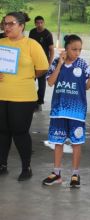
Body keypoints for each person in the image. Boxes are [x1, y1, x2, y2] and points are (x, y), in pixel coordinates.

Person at [42, 35, 90, 187]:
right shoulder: (57, 62)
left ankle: (75, 174)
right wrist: (60, 64)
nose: (77, 52)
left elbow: (87, 86)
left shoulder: (82, 64)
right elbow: (50, 82)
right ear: (66, 48)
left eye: (79, 50)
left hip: (77, 112)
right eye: (73, 49)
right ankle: (56, 173)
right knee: (58, 142)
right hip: (58, 111)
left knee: (76, 143)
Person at [0, 12, 48, 180]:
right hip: (1, 95)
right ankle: (2, 164)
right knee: (2, 132)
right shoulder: (1, 43)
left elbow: (42, 67)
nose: (6, 27)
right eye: (4, 23)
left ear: (21, 26)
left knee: (20, 132)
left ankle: (26, 167)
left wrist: (27, 75)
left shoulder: (31, 44)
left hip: (23, 97)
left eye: (11, 24)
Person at [29, 16, 55, 111]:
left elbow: (51, 50)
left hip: (43, 62)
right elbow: (29, 46)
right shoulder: (32, 32)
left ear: (44, 23)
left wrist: (49, 63)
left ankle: (39, 102)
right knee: (30, 81)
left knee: (41, 83)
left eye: (41, 22)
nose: (39, 24)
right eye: (38, 23)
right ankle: (30, 100)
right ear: (35, 23)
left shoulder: (47, 34)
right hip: (32, 62)